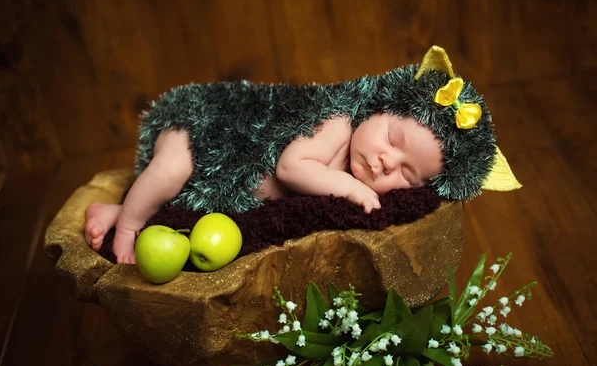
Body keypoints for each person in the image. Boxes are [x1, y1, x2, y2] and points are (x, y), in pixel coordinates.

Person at [84, 46, 520, 264]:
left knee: (188, 208)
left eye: (407, 174)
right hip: (203, 131)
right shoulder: (336, 123)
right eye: (393, 138)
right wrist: (348, 185)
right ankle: (130, 225)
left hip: (223, 186)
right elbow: (291, 167)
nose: (388, 161)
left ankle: (115, 209)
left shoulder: (371, 166)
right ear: (380, 108)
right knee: (172, 169)